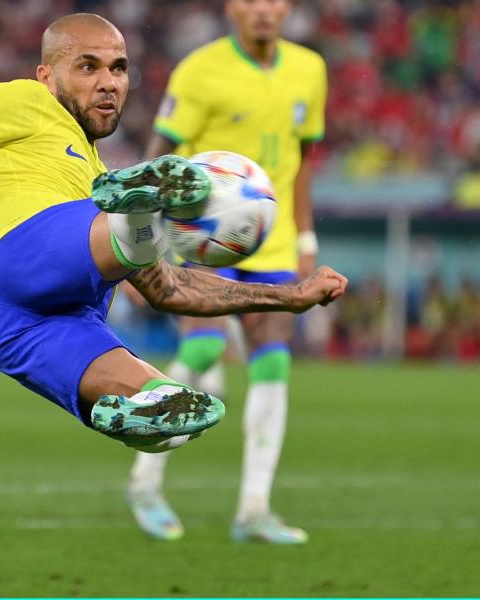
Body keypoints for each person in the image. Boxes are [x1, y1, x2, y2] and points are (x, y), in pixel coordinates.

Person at [0, 13, 347, 455]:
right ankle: (180, 196)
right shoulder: (20, 101)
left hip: (24, 327)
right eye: (89, 66)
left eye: (119, 68)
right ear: (47, 75)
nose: (108, 83)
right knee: (132, 221)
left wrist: (289, 296)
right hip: (19, 258)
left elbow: (170, 290)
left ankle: (126, 420)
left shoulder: (98, 182)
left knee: (179, 412)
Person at [126, 0, 328, 543]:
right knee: (205, 350)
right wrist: (142, 241)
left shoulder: (310, 69)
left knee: (273, 363)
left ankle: (254, 509)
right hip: (201, 240)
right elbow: (157, 155)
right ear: (231, 8)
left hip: (274, 241)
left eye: (273, 0)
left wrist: (305, 239)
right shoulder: (199, 70)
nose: (262, 10)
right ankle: (145, 480)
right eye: (249, 0)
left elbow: (303, 162)